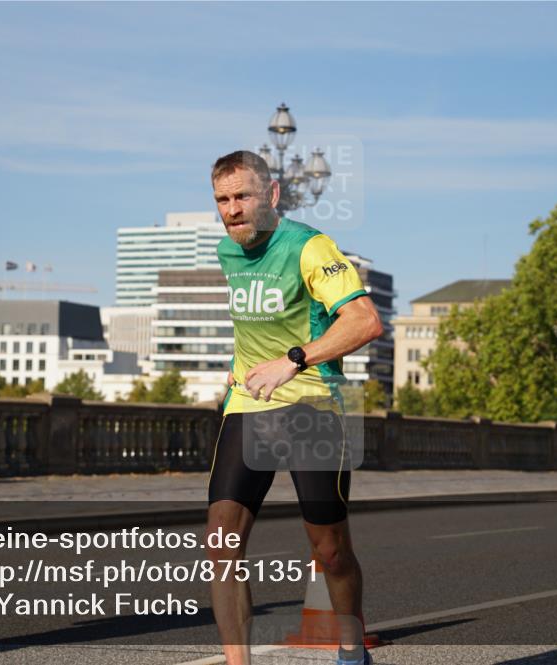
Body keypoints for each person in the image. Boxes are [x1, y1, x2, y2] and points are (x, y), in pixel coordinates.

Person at [206, 150, 382, 665]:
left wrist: (294, 360)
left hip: (312, 407)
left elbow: (365, 321)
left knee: (330, 550)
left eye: (243, 196)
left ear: (273, 194)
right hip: (248, 406)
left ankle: (352, 651)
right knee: (221, 542)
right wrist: (239, 365)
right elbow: (254, 324)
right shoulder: (227, 251)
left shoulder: (309, 247)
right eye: (222, 199)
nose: (233, 209)